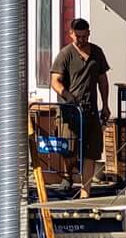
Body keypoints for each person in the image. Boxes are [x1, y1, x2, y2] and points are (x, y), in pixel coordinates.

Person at [50, 17, 112, 190]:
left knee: (91, 150)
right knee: (69, 148)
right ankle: (68, 175)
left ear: (89, 34)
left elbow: (103, 80)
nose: (82, 40)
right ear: (71, 34)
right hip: (69, 110)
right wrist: (67, 95)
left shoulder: (97, 53)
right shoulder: (65, 54)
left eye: (85, 36)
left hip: (90, 109)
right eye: (78, 37)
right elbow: (55, 80)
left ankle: (86, 189)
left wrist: (105, 105)